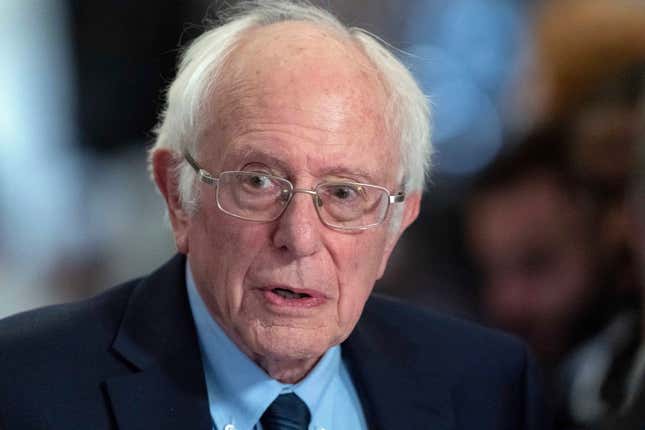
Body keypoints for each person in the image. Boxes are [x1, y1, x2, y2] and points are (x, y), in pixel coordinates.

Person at [0, 1, 546, 429]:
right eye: (258, 182)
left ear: (398, 223)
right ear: (175, 194)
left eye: (345, 193)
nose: (300, 237)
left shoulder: (488, 386)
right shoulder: (23, 385)